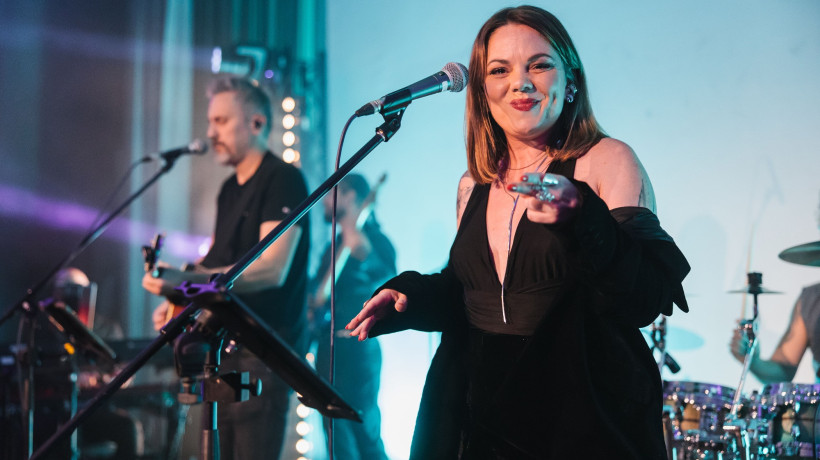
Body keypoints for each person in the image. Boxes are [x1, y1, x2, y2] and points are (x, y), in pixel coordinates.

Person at [345, 6, 690, 459]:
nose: (520, 83)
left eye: (539, 65)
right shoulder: (473, 183)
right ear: (482, 90)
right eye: (499, 70)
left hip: (576, 421)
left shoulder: (607, 160)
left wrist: (582, 214)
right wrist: (412, 298)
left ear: (571, 81)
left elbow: (645, 297)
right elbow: (472, 294)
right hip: (480, 417)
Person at [142, 76, 310, 460]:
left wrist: (185, 282)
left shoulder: (283, 179)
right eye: (210, 121)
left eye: (221, 121)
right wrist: (176, 298)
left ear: (256, 123)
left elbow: (272, 269)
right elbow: (215, 264)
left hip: (263, 353)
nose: (210, 133)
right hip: (224, 350)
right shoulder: (229, 190)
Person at [309, 173, 395, 460]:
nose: (324, 201)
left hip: (360, 349)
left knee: (364, 433)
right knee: (335, 438)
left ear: (350, 196)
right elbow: (317, 295)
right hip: (328, 348)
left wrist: (361, 247)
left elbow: (388, 283)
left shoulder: (378, 242)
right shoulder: (333, 247)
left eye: (331, 193)